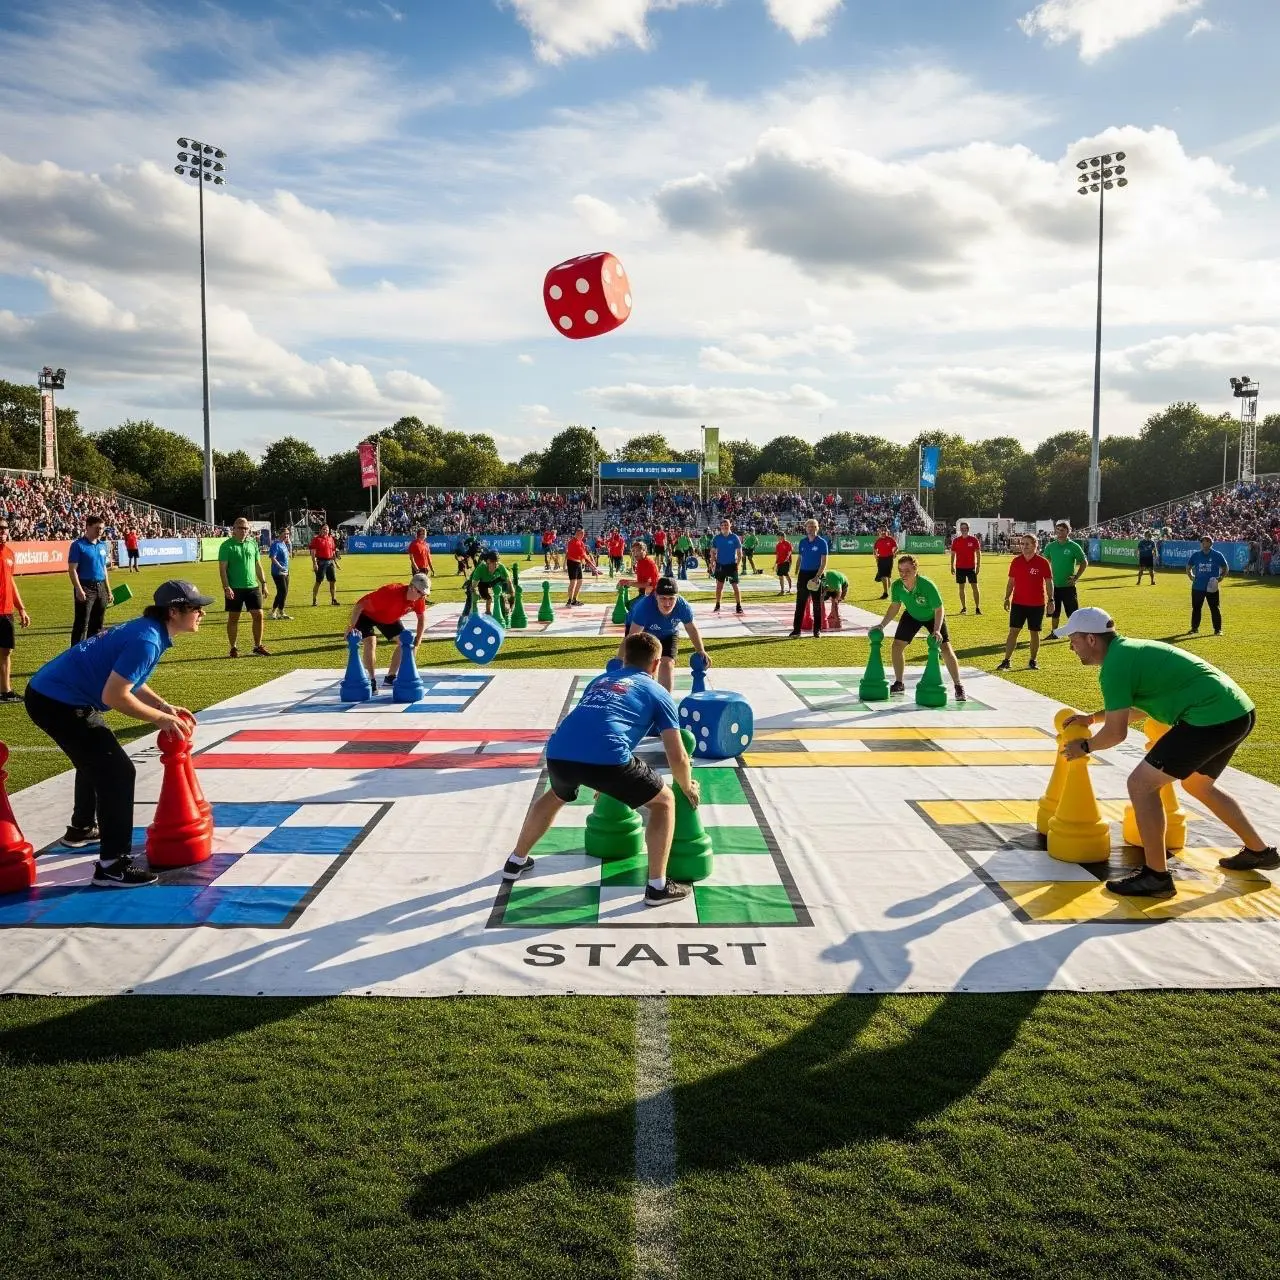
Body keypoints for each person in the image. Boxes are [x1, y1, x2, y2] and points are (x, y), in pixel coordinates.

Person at [1056, 607, 1276, 897]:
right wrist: (1092, 718)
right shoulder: (1127, 652)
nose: (1071, 647)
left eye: (1073, 640)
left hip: (1211, 718)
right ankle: (1260, 852)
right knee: (1198, 784)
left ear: (1091, 639)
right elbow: (1139, 708)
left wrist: (1084, 746)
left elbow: (1116, 734)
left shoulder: (1115, 667)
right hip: (1237, 711)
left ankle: (1156, 876)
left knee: (1141, 785)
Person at [24, 579, 211, 888]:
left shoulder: (148, 630)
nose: (201, 613)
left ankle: (82, 827)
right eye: (195, 608)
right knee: (118, 772)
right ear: (174, 612)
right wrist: (161, 719)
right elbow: (115, 695)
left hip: (54, 694)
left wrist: (162, 705)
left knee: (96, 759)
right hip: (58, 701)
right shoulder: (148, 639)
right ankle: (112, 866)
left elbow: (129, 677)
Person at [501, 631, 700, 908]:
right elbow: (677, 755)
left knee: (556, 795)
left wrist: (604, 783)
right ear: (656, 664)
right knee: (664, 802)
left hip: (558, 752)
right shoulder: (658, 692)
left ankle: (515, 861)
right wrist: (687, 786)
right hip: (607, 757)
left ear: (624, 658)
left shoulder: (600, 680)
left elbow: (595, 725)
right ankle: (657, 887)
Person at [876, 555, 967, 702]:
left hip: (933, 615)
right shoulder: (897, 586)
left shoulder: (927, 585)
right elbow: (895, 606)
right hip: (912, 614)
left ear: (915, 569)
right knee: (897, 646)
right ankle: (899, 683)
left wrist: (937, 630)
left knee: (945, 648)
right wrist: (882, 625)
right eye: (900, 571)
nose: (903, 574)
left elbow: (939, 609)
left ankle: (958, 685)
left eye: (907, 570)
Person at [619, 576, 711, 693]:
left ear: (677, 597)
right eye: (663, 598)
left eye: (671, 598)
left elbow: (691, 628)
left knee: (667, 664)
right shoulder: (644, 607)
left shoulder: (682, 606)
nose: (667, 603)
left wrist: (701, 650)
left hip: (668, 633)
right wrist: (619, 660)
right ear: (655, 596)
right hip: (644, 634)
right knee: (644, 666)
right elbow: (632, 637)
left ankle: (665, 698)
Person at [347, 574, 430, 690]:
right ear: (411, 587)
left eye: (425, 594)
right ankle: (372, 680)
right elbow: (359, 605)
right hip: (366, 615)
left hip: (388, 618)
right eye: (421, 593)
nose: (423, 597)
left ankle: (390, 677)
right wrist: (351, 626)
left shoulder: (419, 599)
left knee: (405, 643)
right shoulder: (390, 592)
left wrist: (418, 641)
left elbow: (421, 618)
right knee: (371, 642)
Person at [996, 534, 1053, 671]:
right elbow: (1011, 582)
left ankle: (1033, 660)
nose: (1024, 546)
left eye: (1027, 543)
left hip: (1037, 604)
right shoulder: (1016, 561)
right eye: (1022, 543)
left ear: (1035, 545)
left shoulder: (1043, 562)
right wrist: (1007, 598)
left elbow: (1049, 582)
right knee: (1013, 631)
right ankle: (1006, 660)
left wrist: (1051, 600)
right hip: (1018, 603)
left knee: (1034, 632)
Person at [219, 517, 270, 658]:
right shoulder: (226, 546)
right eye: (241, 528)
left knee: (258, 614)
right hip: (234, 588)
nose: (244, 531)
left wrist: (264, 583)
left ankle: (258, 646)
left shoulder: (252, 543)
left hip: (252, 586)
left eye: (246, 528)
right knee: (234, 618)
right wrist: (226, 587)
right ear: (234, 529)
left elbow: (258, 565)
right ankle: (233, 647)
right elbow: (222, 569)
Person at [67, 514, 113, 647]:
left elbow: (104, 569)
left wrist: (108, 590)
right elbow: (72, 570)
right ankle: (76, 653)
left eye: (102, 528)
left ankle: (93, 651)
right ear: (87, 527)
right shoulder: (78, 545)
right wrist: (79, 589)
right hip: (85, 587)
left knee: (98, 623)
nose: (100, 531)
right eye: (97, 528)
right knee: (82, 623)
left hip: (101, 587)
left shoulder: (102, 545)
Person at [0, 519, 31, 704]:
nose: (2, 531)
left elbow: (11, 582)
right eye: (0, 528)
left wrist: (21, 609)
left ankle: (5, 691)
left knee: (6, 651)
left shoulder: (9, 553)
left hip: (6, 610)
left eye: (4, 528)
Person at [789, 519, 829, 638]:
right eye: (809, 526)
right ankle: (796, 630)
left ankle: (817, 630)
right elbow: (800, 558)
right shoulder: (802, 542)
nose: (811, 528)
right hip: (803, 575)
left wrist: (817, 576)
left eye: (813, 526)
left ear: (817, 528)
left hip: (816, 575)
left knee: (816, 604)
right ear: (806, 528)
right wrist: (797, 570)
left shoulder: (822, 542)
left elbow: (824, 562)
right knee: (800, 604)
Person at [1045, 520, 1088, 629]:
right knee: (1055, 612)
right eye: (1058, 529)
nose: (1059, 532)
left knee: (1073, 614)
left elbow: (1084, 562)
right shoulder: (1050, 546)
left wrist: (1076, 577)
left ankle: (1075, 633)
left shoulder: (1074, 546)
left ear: (1068, 531)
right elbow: (1045, 563)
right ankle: (1054, 633)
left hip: (1068, 586)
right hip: (1053, 586)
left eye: (1062, 530)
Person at [1186, 535, 1229, 636]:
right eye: (1202, 542)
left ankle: (1218, 630)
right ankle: (1194, 628)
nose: (1204, 543)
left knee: (1215, 608)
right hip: (1197, 587)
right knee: (1196, 608)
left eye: (1206, 541)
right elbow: (1188, 566)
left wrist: (1221, 577)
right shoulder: (1196, 555)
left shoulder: (1217, 555)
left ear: (1210, 543)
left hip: (1212, 587)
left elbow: (1225, 567)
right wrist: (1190, 576)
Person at [710, 518, 745, 615]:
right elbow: (712, 551)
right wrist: (712, 562)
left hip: (731, 565)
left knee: (735, 586)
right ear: (720, 527)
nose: (724, 527)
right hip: (720, 565)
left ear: (730, 526)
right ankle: (717, 605)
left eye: (726, 525)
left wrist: (737, 564)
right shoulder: (717, 538)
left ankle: (739, 606)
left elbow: (739, 553)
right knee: (719, 587)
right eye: (723, 525)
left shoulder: (734, 537)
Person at [950, 521, 983, 614]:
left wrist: (978, 566)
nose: (964, 530)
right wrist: (952, 566)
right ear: (960, 529)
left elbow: (978, 553)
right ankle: (964, 608)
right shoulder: (956, 540)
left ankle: (977, 608)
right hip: (959, 567)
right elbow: (953, 554)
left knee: (975, 587)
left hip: (971, 567)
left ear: (968, 529)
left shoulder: (973, 540)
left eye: (965, 528)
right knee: (961, 588)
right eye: (962, 528)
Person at [470, 550, 515, 616]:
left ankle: (504, 608)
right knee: (488, 599)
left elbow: (509, 582)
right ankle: (487, 612)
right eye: (492, 564)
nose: (495, 566)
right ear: (487, 562)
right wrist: (474, 592)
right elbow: (473, 586)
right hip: (483, 583)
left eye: (496, 564)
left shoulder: (500, 567)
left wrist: (511, 599)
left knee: (502, 592)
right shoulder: (480, 568)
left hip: (495, 581)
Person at [564, 527, 596, 607]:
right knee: (573, 582)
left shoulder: (580, 542)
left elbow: (584, 554)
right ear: (578, 534)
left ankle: (574, 600)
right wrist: (593, 565)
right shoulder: (573, 542)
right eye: (582, 534)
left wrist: (591, 565)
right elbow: (584, 555)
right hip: (572, 563)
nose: (583, 536)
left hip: (578, 563)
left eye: (583, 534)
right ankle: (569, 601)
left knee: (580, 581)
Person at [309, 523, 340, 607]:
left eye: (327, 529)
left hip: (330, 562)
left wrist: (336, 563)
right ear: (320, 530)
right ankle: (314, 600)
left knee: (333, 581)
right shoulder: (316, 539)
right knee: (318, 581)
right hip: (321, 562)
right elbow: (313, 552)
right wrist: (314, 563)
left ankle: (333, 599)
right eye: (324, 529)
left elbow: (333, 551)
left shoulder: (331, 539)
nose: (325, 530)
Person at [268, 529, 292, 621]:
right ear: (280, 534)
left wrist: (290, 544)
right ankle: (273, 612)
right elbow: (273, 558)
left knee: (284, 592)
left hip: (285, 571)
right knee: (282, 591)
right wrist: (280, 567)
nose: (287, 535)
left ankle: (281, 612)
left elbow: (289, 556)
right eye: (285, 533)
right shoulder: (276, 544)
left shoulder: (284, 544)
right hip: (278, 572)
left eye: (288, 534)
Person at [873, 525, 898, 600]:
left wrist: (895, 553)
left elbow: (896, 547)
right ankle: (886, 593)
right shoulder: (878, 540)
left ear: (887, 531)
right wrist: (875, 555)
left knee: (887, 576)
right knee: (883, 576)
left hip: (889, 558)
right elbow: (874, 549)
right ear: (879, 532)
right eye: (881, 531)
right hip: (880, 559)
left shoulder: (890, 539)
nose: (883, 532)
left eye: (884, 531)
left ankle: (887, 592)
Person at [773, 531, 794, 595]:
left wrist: (787, 559)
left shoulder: (787, 543)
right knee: (780, 576)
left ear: (782, 536)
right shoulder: (778, 545)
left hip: (786, 562)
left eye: (778, 536)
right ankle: (782, 591)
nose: (777, 538)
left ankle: (790, 589)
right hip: (779, 563)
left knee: (786, 575)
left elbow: (790, 552)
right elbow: (777, 555)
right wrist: (775, 564)